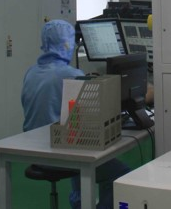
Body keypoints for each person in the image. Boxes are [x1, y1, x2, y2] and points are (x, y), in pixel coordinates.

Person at [21, 20, 130, 209]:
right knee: (121, 174)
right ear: (66, 44)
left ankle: (79, 203)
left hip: (34, 152)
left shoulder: (31, 72)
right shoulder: (70, 74)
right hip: (61, 154)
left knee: (75, 144)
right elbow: (93, 114)